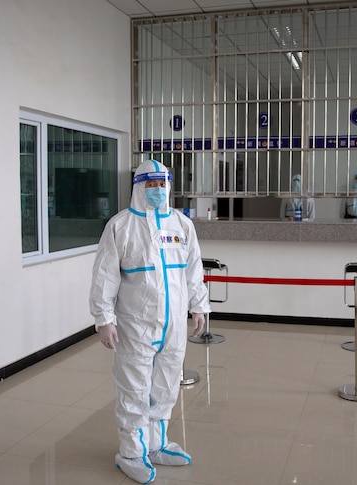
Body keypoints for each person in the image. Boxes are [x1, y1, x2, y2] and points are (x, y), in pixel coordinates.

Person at [89, 159, 210, 484]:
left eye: (161, 184)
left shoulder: (182, 225)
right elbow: (105, 275)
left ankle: (156, 445)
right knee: (134, 389)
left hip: (174, 327)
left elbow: (193, 269)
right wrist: (104, 318)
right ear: (138, 187)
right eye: (150, 184)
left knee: (166, 386)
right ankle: (130, 452)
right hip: (135, 326)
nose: (157, 190)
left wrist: (199, 306)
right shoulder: (121, 226)